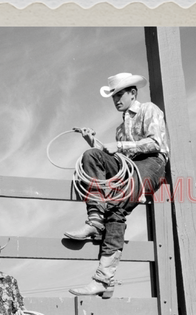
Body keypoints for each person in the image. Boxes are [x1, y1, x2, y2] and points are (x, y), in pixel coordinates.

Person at [65, 72, 170, 298]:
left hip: (153, 162)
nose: (116, 100)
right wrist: (92, 141)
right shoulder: (120, 129)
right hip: (130, 166)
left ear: (133, 93)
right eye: (113, 96)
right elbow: (117, 158)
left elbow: (155, 143)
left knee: (117, 205)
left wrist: (120, 146)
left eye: (120, 94)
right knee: (92, 155)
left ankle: (103, 278)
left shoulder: (149, 110)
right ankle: (94, 219)